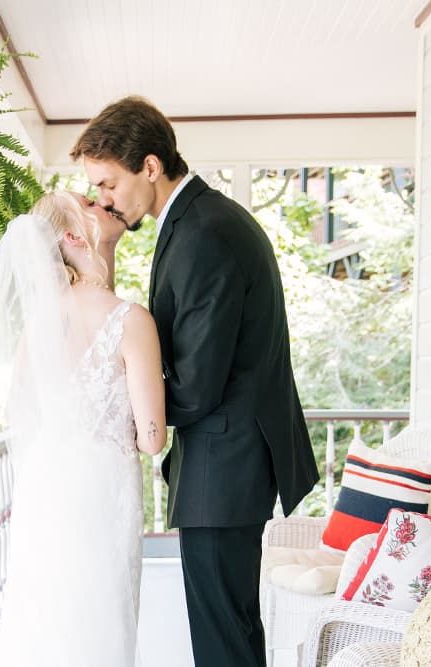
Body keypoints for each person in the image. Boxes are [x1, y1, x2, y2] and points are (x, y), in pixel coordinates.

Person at [71, 96, 319, 666]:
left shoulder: (206, 231)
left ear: (150, 167)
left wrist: (125, 417)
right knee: (228, 630)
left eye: (108, 184)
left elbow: (198, 384)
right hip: (223, 467)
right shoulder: (197, 221)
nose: (102, 198)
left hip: (223, 469)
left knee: (223, 640)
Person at [0, 190, 166, 666]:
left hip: (45, 482)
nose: (102, 204)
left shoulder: (38, 323)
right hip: (103, 484)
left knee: (43, 613)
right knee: (104, 614)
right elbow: (153, 438)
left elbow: (17, 408)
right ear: (71, 236)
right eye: (89, 206)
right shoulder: (131, 320)